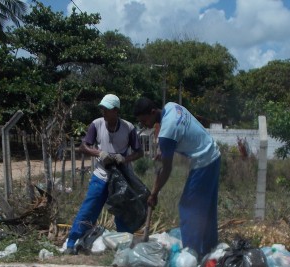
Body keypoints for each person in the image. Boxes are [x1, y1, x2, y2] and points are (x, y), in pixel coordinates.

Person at [133, 97, 221, 258]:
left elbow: (167, 170)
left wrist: (154, 193)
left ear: (153, 112)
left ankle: (191, 255)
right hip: (213, 154)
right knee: (206, 209)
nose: (144, 124)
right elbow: (179, 134)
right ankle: (209, 249)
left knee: (188, 207)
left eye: (145, 120)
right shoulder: (172, 107)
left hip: (203, 162)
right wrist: (163, 150)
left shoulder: (166, 133)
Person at [64, 94, 143, 254]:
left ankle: (123, 245)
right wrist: (99, 153)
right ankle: (72, 243)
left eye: (106, 109)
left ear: (116, 110)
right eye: (102, 109)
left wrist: (125, 159)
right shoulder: (97, 124)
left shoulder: (128, 128)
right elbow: (83, 146)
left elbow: (139, 152)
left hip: (122, 177)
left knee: (122, 210)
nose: (103, 112)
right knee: (90, 207)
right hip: (102, 174)